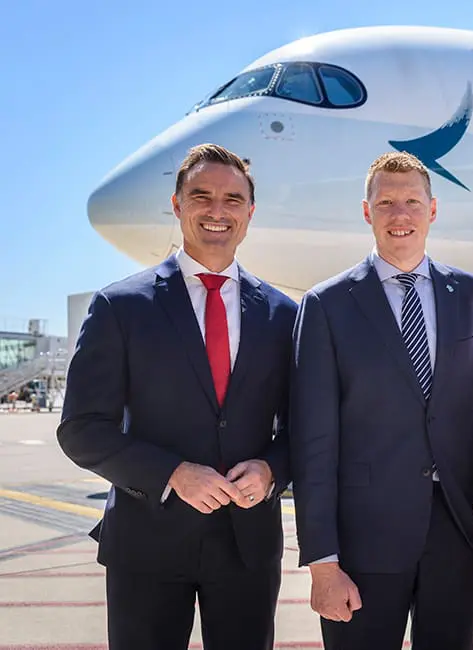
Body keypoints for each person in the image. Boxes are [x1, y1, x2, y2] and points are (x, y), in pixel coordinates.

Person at [56, 143, 297, 650]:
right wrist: (172, 474)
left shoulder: (282, 314)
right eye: (201, 195)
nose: (217, 210)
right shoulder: (121, 307)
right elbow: (81, 429)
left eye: (233, 199)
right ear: (177, 204)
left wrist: (273, 469)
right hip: (147, 545)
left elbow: (303, 428)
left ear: (250, 213)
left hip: (247, 546)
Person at [289, 151, 473, 650]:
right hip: (363, 542)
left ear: (433, 210)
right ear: (367, 212)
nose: (400, 214)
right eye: (386, 202)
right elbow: (313, 441)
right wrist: (323, 562)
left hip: (458, 532)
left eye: (412, 201)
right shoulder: (326, 305)